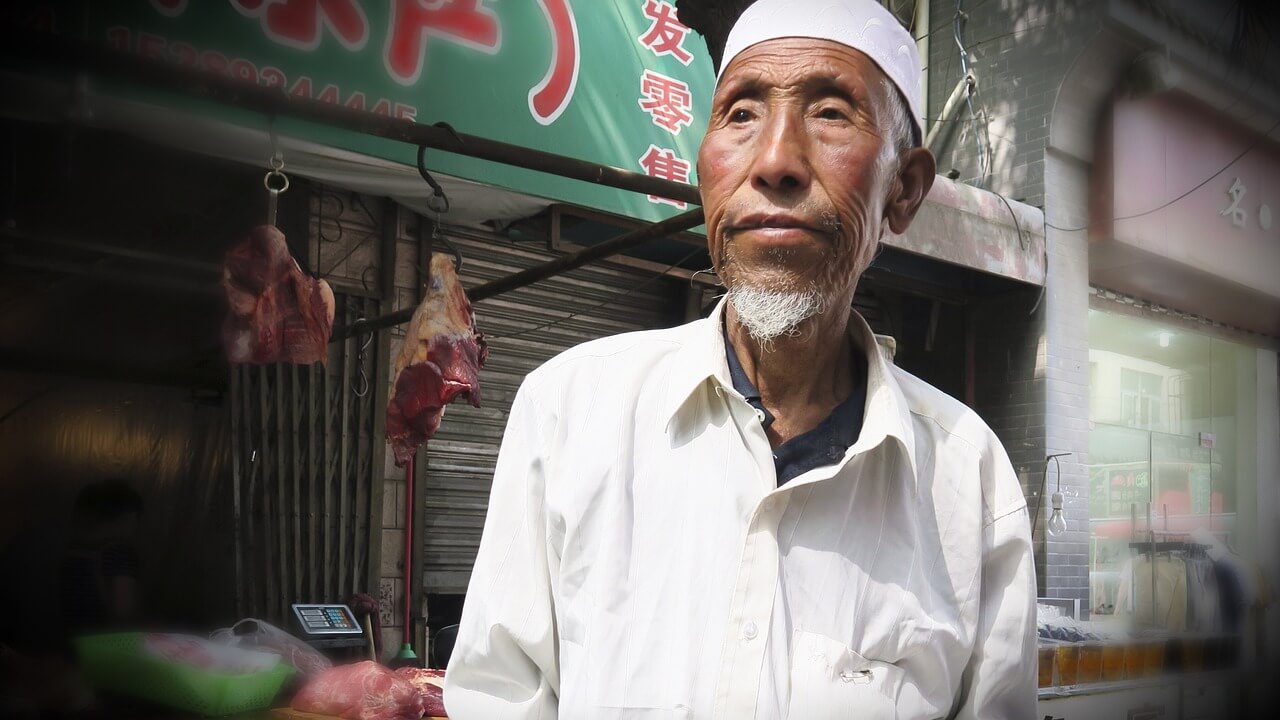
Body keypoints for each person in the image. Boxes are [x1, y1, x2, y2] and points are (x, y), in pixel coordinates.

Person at [444, 0, 1036, 717]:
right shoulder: (570, 411)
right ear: (704, 171)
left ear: (904, 190)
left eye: (831, 113)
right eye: (741, 113)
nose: (776, 160)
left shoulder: (967, 480)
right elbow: (496, 696)